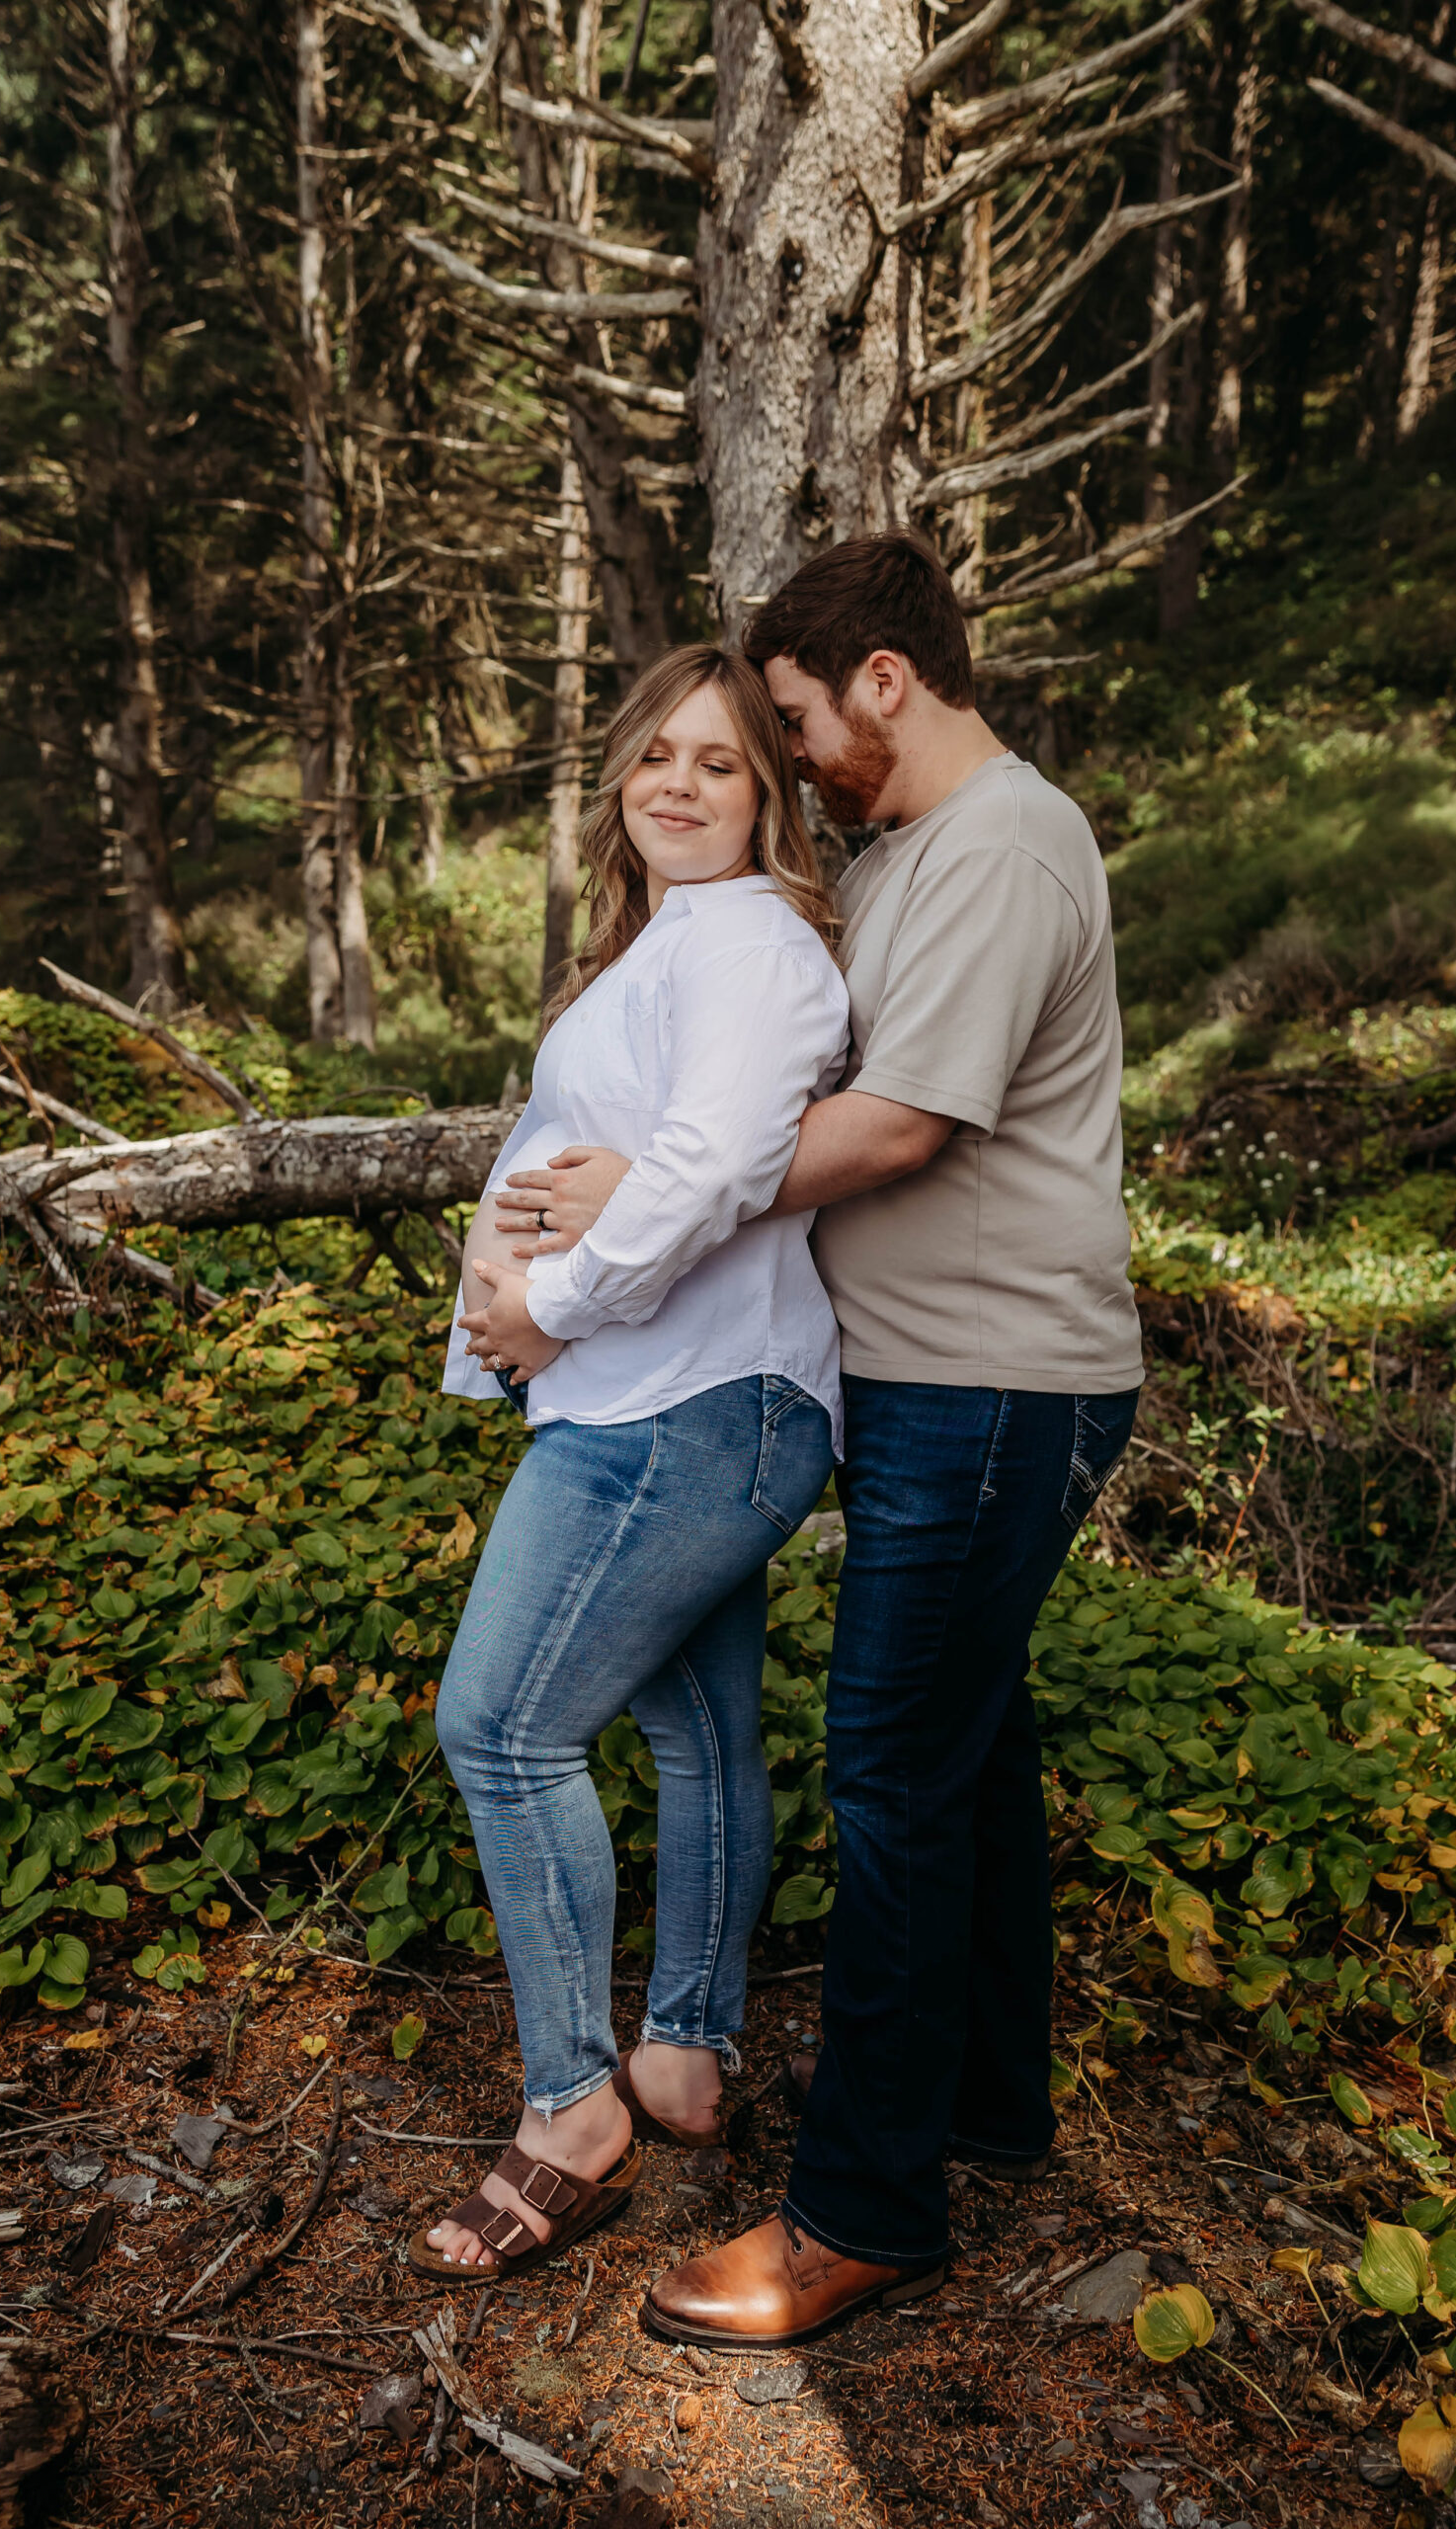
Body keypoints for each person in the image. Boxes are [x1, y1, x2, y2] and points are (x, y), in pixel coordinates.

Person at [492, 533, 1143, 2343]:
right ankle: (986, 2108)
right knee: (968, 1755)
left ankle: (861, 2214)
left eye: (786, 722)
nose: (782, 761)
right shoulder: (915, 855)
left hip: (997, 1380)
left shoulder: (1004, 841)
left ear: (882, 679)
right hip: (942, 1376)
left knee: (892, 1777)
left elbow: (904, 1126)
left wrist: (652, 1193)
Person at [408, 644, 849, 2284]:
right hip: (663, 1393)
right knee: (697, 1721)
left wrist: (559, 1307)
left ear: (769, 795)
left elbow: (715, 1163)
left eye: (719, 763)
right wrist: (501, 1333)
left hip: (688, 1400)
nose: (677, 783)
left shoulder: (750, 945)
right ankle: (681, 2051)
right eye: (655, 756)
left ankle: (570, 2114)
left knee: (502, 1727)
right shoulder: (662, 945)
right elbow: (562, 1163)